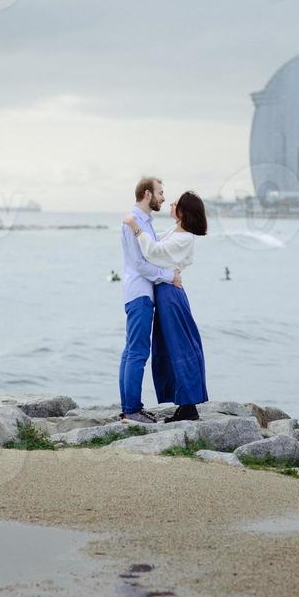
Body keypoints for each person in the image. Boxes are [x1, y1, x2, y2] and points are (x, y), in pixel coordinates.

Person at [123, 191, 208, 422]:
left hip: (170, 294)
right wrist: (138, 228)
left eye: (176, 203)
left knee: (179, 347)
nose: (170, 203)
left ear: (183, 212)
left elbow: (153, 251)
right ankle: (184, 403)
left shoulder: (184, 237)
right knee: (169, 349)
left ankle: (189, 406)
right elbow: (152, 242)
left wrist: (135, 226)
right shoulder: (175, 232)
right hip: (166, 292)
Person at [119, 178, 183, 424]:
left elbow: (154, 251)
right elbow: (140, 264)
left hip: (137, 293)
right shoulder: (134, 222)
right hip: (140, 293)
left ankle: (129, 408)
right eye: (160, 192)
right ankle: (132, 410)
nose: (163, 197)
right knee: (137, 353)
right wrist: (170, 277)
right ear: (147, 194)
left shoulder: (143, 222)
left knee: (130, 352)